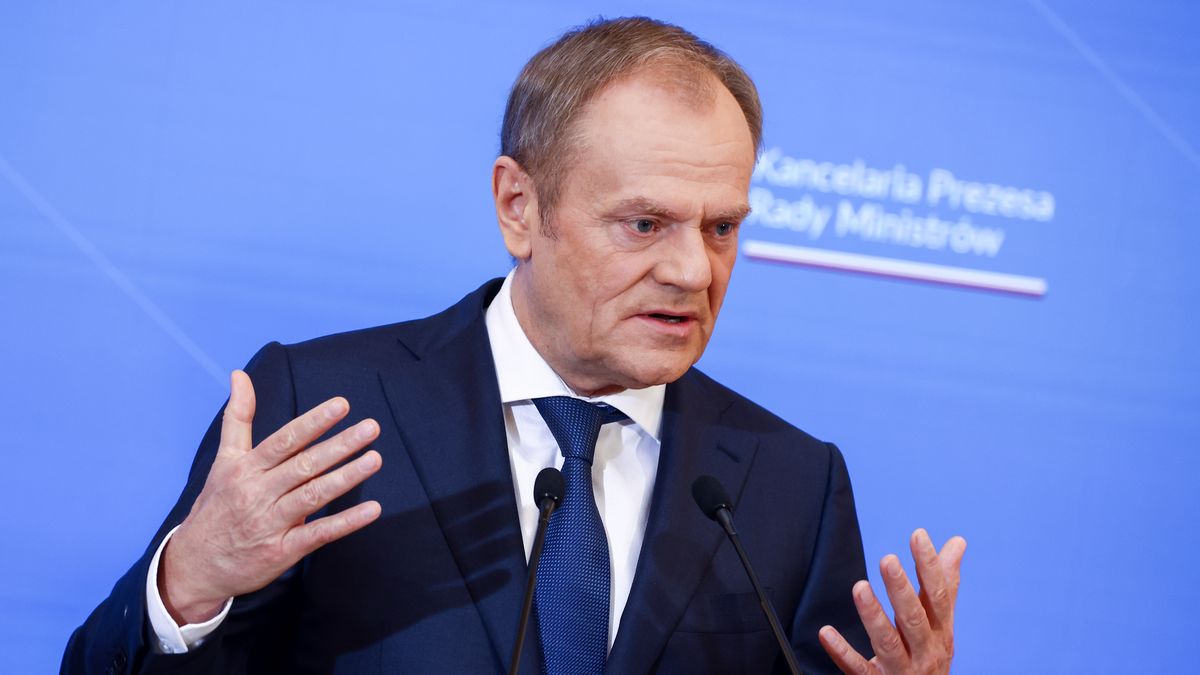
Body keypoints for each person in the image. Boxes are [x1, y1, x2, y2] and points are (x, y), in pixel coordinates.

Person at [62, 17, 965, 675]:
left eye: (722, 226)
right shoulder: (321, 405)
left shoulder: (789, 487)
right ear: (519, 207)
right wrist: (188, 589)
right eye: (644, 223)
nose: (694, 269)